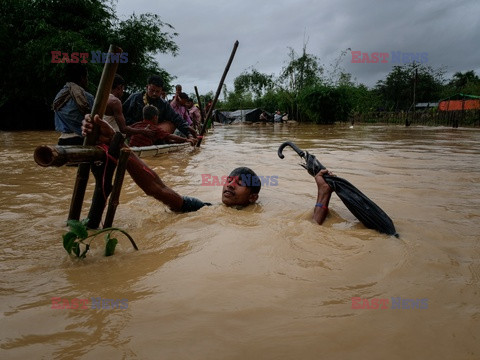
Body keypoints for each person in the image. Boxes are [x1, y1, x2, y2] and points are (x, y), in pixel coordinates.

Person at [82, 115, 333, 224]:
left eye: (239, 183)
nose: (229, 184)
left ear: (253, 197)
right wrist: (117, 142)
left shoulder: (264, 218)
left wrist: (322, 194)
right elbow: (157, 189)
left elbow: (310, 229)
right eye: (229, 180)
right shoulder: (203, 209)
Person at [122, 75, 197, 140]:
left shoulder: (163, 103)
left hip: (154, 132)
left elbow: (175, 118)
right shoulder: (135, 98)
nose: (154, 93)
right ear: (147, 87)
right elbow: (123, 116)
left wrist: (188, 132)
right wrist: (140, 128)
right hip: (134, 129)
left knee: (171, 124)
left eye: (157, 91)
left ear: (161, 91)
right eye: (152, 90)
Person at [103, 74, 156, 139]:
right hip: (111, 139)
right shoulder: (115, 102)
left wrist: (138, 125)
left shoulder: (103, 97)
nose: (123, 92)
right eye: (123, 89)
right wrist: (143, 131)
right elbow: (123, 129)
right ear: (119, 87)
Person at [53, 63, 94, 145]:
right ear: (82, 78)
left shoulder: (58, 98)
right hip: (81, 141)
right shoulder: (87, 97)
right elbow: (95, 121)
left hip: (62, 141)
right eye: (86, 77)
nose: (87, 81)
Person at [129, 105, 196, 147]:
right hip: (142, 151)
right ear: (155, 117)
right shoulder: (154, 128)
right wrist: (186, 140)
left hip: (131, 148)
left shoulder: (136, 125)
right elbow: (169, 136)